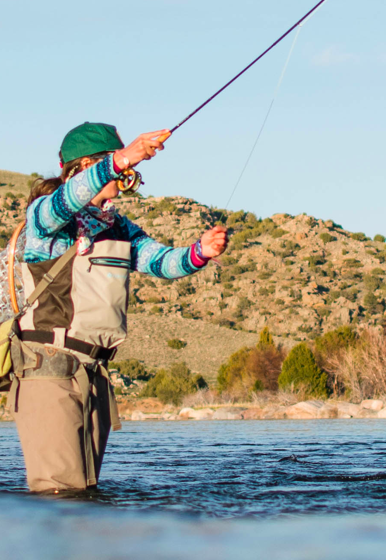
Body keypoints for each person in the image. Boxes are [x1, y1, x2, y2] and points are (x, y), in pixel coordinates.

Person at [12, 121, 229, 492]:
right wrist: (120, 159)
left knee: (87, 494)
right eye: (124, 174)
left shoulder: (119, 227)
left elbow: (162, 262)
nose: (127, 181)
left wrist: (201, 252)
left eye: (130, 175)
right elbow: (60, 205)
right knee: (60, 494)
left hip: (95, 373)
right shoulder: (46, 220)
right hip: (48, 370)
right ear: (83, 168)